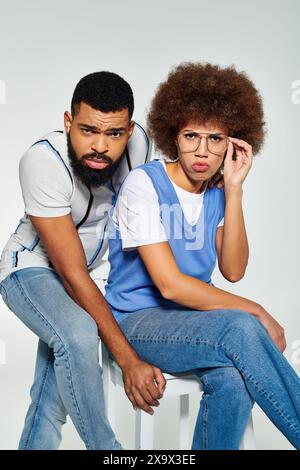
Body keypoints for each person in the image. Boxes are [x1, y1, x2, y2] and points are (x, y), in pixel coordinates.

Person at [105, 63, 300, 450]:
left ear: (233, 142)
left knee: (232, 377)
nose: (202, 151)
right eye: (191, 136)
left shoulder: (216, 192)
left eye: (215, 139)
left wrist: (234, 191)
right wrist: (256, 310)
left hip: (194, 325)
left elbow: (233, 270)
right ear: (173, 134)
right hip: (137, 323)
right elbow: (170, 286)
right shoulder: (144, 184)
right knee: (242, 327)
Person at [0, 71, 167, 450]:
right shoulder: (42, 161)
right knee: (77, 334)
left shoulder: (140, 143)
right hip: (31, 270)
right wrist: (128, 361)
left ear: (129, 129)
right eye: (88, 130)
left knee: (50, 397)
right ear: (68, 122)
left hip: (90, 272)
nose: (100, 147)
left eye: (114, 134)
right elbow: (71, 273)